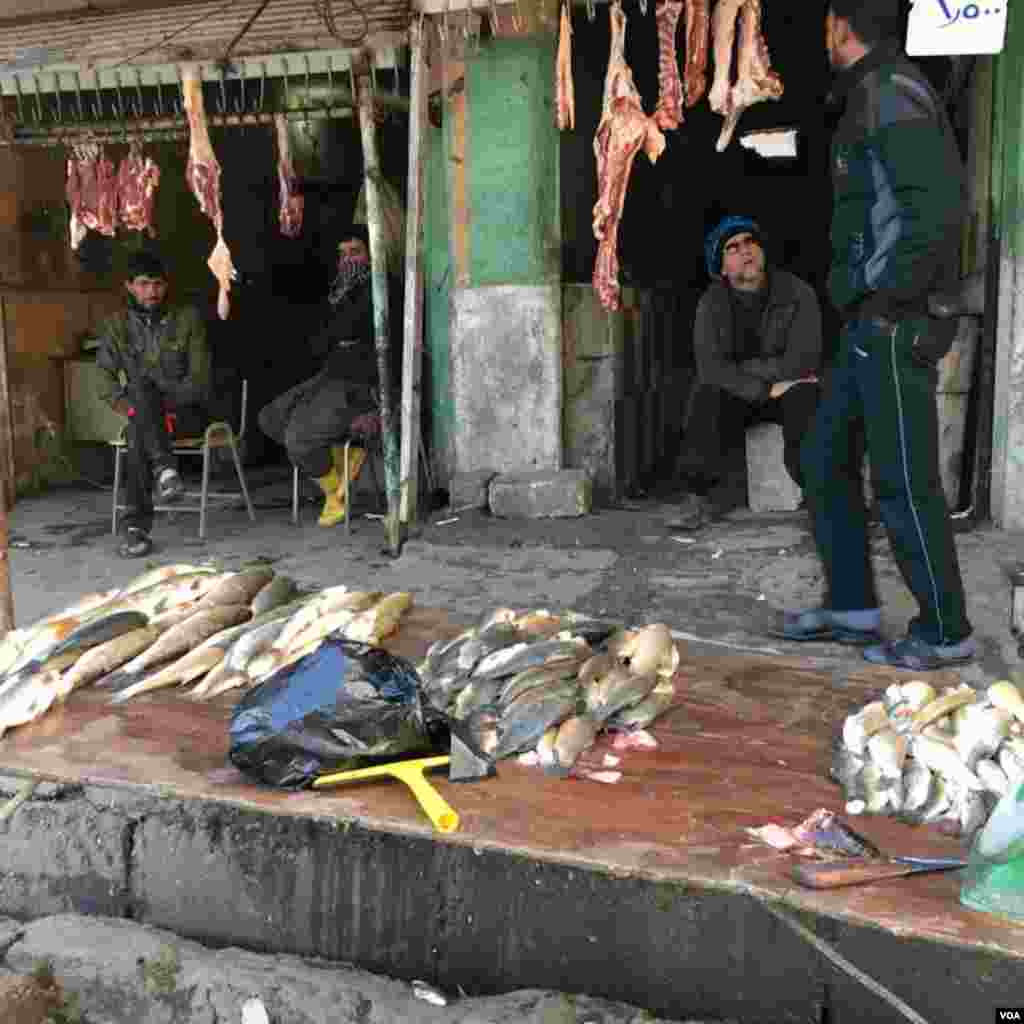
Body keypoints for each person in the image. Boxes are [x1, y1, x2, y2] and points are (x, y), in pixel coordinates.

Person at [778, 0, 975, 670]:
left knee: (902, 480)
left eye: (825, 24)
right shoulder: (871, 94)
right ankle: (853, 606)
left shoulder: (893, 96)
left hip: (895, 321)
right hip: (868, 320)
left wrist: (890, 299)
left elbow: (935, 212)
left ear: (840, 27)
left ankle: (945, 630)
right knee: (824, 453)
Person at [671, 216, 822, 529]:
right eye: (733, 248)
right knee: (706, 394)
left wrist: (742, 371)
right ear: (722, 267)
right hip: (744, 394)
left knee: (808, 395)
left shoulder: (798, 293)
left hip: (789, 389)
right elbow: (711, 369)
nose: (746, 251)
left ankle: (820, 496)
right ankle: (698, 498)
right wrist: (764, 389)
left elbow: (803, 361)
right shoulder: (710, 303)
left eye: (751, 242)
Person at [258, 227, 394, 527]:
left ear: (373, 254)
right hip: (332, 373)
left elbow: (350, 331)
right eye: (342, 255)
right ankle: (340, 474)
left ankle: (335, 497)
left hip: (362, 382)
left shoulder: (383, 286)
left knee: (298, 438)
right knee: (270, 418)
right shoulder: (339, 291)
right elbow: (323, 338)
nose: (348, 261)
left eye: (355, 252)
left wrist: (341, 336)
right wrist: (339, 336)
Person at [96, 251, 212, 559]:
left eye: (158, 284)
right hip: (142, 417)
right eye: (144, 284)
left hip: (185, 412)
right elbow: (104, 382)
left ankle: (135, 528)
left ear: (166, 285)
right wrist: (134, 410)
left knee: (141, 414)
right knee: (139, 421)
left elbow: (199, 379)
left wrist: (157, 409)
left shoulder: (187, 319)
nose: (152, 292)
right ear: (129, 286)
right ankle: (165, 471)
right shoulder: (116, 326)